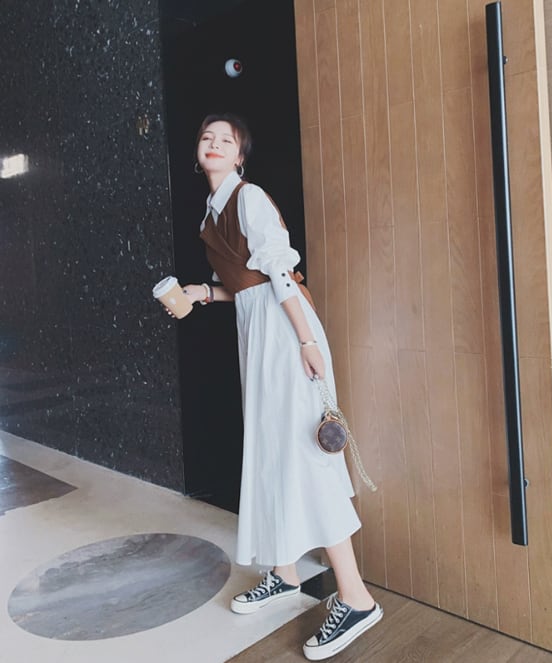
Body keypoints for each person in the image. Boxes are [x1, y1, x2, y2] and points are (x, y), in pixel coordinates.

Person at [179, 113, 383, 660]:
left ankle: (356, 598)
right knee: (271, 453)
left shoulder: (248, 198)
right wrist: (203, 292)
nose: (214, 144)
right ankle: (286, 573)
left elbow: (279, 274)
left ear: (239, 155)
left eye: (226, 140)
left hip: (286, 333)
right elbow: (244, 286)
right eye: (207, 138)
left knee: (304, 457)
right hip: (259, 333)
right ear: (198, 152)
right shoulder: (213, 210)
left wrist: (306, 341)